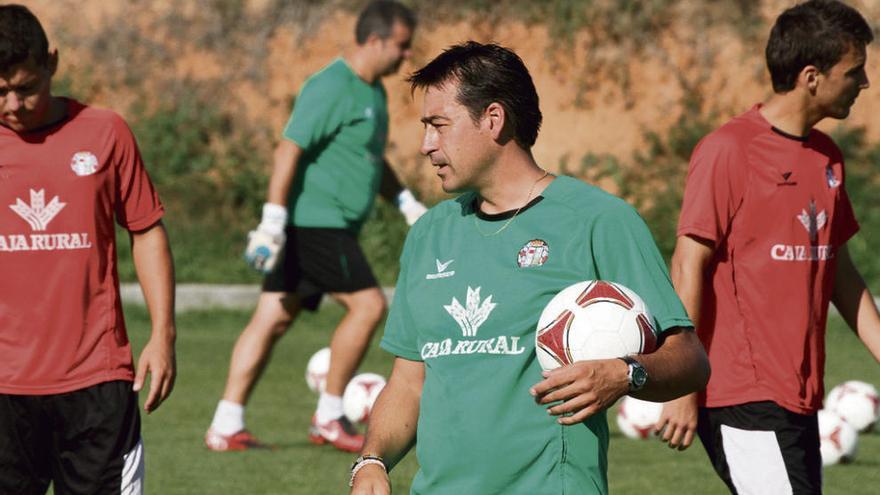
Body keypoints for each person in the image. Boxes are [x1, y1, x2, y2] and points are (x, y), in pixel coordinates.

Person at [349, 41, 710, 495]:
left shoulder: (598, 220)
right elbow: (409, 381)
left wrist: (624, 373)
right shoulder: (429, 234)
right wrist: (371, 460)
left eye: (439, 126)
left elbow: (690, 360)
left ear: (493, 120)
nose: (426, 146)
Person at [657, 1, 880, 493]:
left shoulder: (828, 157)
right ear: (811, 76)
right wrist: (682, 383)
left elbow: (839, 271)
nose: (863, 84)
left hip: (800, 396)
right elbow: (687, 261)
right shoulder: (729, 149)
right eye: (855, 71)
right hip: (738, 391)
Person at [205, 0, 426, 454]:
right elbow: (289, 150)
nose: (407, 56)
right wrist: (272, 221)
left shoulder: (373, 94)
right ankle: (329, 416)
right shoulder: (330, 86)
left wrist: (404, 201)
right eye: (402, 47)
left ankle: (225, 424)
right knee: (367, 307)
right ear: (375, 40)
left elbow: (366, 157)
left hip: (327, 226)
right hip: (316, 224)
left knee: (274, 316)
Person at [0, 5, 177, 494]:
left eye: (26, 87)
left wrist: (163, 335)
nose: (13, 104)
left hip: (95, 385)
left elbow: (146, 230)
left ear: (51, 62)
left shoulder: (105, 132)